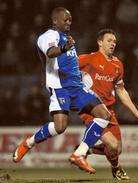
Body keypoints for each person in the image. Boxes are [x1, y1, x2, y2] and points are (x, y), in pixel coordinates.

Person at [12, 7, 112, 174]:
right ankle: (28, 143)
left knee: (104, 115)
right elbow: (51, 53)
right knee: (60, 127)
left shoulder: (67, 38)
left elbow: (69, 62)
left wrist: (80, 74)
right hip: (61, 88)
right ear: (55, 21)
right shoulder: (48, 36)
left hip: (77, 88)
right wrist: (65, 47)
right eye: (65, 20)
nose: (68, 22)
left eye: (70, 20)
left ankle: (79, 154)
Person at [78, 28, 138, 180]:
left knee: (118, 149)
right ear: (100, 42)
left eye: (114, 41)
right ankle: (116, 169)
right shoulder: (88, 59)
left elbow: (121, 91)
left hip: (109, 111)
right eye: (109, 40)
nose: (113, 44)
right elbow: (67, 68)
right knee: (112, 145)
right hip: (92, 109)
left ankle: (87, 148)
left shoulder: (117, 64)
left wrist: (136, 113)